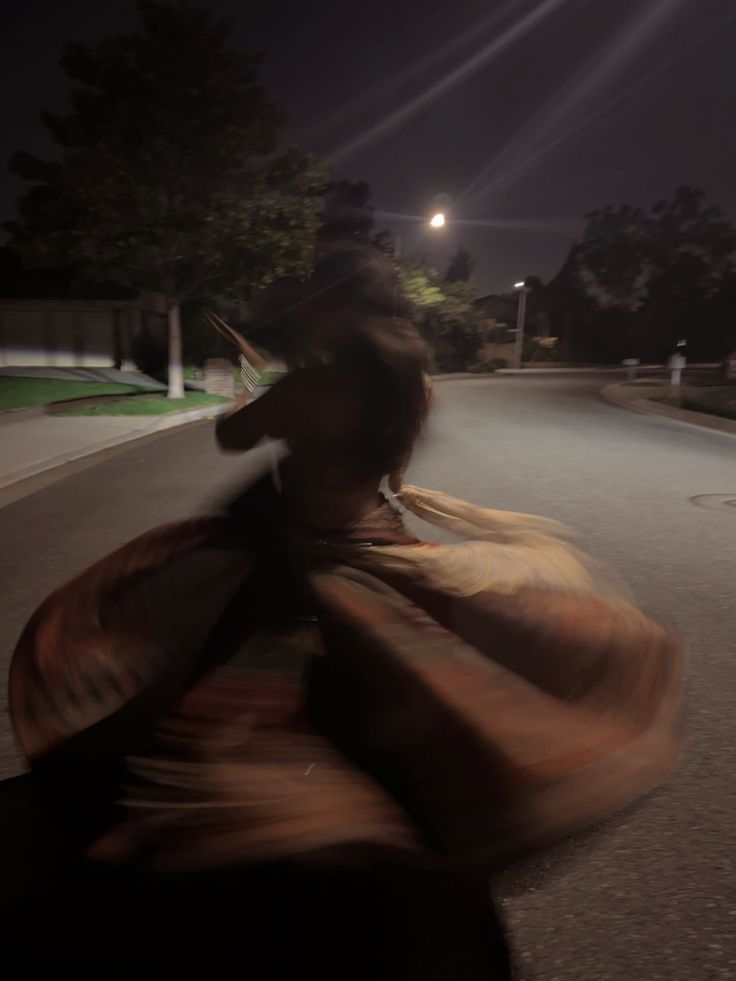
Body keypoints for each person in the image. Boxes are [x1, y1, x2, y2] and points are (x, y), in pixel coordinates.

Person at [5, 242, 683, 977]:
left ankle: (211, 842)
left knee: (200, 661)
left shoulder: (319, 384)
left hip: (291, 557)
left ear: (333, 304)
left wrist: (255, 397)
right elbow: (383, 468)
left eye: (311, 296)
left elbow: (231, 436)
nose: (301, 307)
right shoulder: (406, 382)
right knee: (402, 682)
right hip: (374, 535)